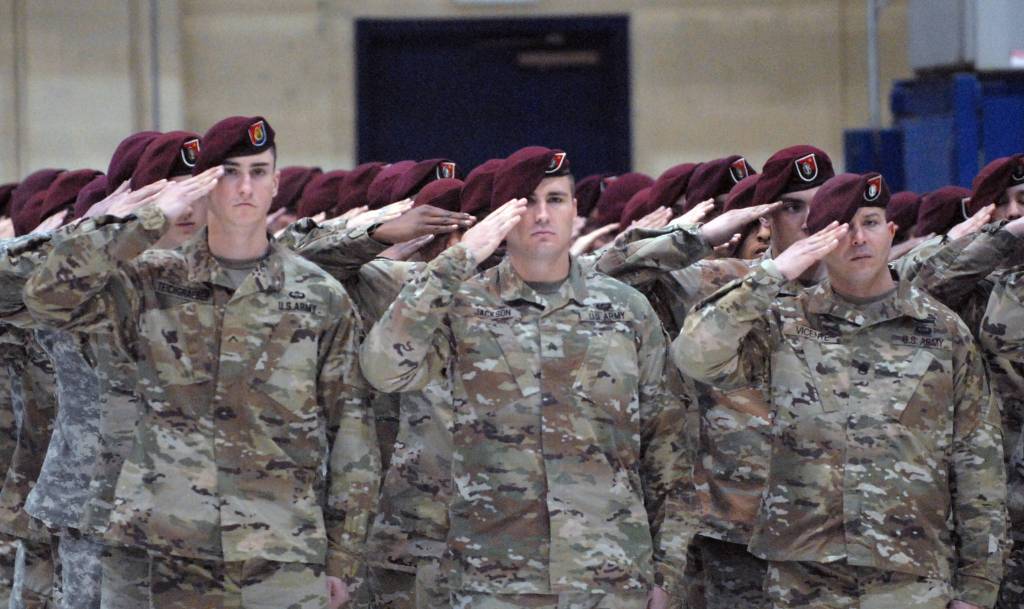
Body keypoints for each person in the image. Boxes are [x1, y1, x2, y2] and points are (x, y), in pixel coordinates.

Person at [23, 115, 379, 609]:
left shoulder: (319, 295)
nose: (246, 187)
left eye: (259, 171)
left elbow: (352, 435)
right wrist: (147, 220)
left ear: (277, 181)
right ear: (204, 183)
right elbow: (48, 296)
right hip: (157, 550)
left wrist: (343, 558)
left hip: (279, 553)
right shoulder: (149, 281)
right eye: (229, 172)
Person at [360, 146, 693, 609]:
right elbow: (383, 368)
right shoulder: (459, 305)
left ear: (575, 210)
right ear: (499, 215)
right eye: (526, 201)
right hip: (490, 579)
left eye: (555, 199)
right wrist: (457, 262)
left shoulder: (626, 310)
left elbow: (667, 448)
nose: (541, 215)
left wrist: (668, 574)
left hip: (610, 576)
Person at [676, 172, 1007, 609]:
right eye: (841, 228)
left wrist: (978, 587)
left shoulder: (941, 331)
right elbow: (695, 353)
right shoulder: (783, 323)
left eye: (870, 223)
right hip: (803, 577)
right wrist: (773, 274)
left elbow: (977, 460)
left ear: (891, 232)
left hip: (911, 576)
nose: (857, 239)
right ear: (816, 241)